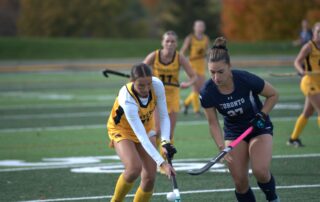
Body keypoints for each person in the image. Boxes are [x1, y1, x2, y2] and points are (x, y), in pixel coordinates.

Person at [199, 37, 280, 202]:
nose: (216, 77)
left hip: (258, 127)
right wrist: (221, 147)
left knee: (260, 171)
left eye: (220, 72)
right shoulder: (207, 92)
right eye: (212, 72)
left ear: (229, 67)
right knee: (240, 182)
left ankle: (273, 199)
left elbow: (273, 95)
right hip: (234, 133)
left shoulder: (245, 79)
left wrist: (262, 115)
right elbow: (213, 123)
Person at [107, 63, 177, 202]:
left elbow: (163, 116)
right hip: (122, 130)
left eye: (148, 84)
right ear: (132, 81)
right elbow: (141, 138)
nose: (146, 89)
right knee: (134, 168)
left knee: (150, 177)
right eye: (141, 86)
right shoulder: (127, 98)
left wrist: (165, 142)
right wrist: (162, 163)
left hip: (145, 127)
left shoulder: (157, 85)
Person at [143, 30, 197, 142]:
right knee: (157, 131)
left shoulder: (179, 57)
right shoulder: (155, 55)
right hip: (156, 96)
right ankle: (155, 158)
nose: (170, 44)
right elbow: (140, 69)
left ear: (176, 44)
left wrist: (187, 84)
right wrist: (147, 78)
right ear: (162, 42)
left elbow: (193, 76)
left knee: (169, 133)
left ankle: (167, 158)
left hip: (172, 97)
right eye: (167, 41)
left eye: (173, 41)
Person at [287, 22, 320, 147]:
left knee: (308, 112)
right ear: (314, 33)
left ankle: (293, 139)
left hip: (319, 82)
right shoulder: (309, 47)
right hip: (309, 81)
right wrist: (301, 71)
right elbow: (297, 61)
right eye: (318, 31)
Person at [180, 20, 210, 116]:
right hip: (192, 66)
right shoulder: (190, 38)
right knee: (195, 89)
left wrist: (209, 55)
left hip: (201, 66)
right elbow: (182, 51)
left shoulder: (205, 38)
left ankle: (186, 103)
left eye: (202, 26)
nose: (200, 28)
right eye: (198, 26)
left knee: (200, 89)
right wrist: (182, 62)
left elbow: (207, 50)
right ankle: (197, 111)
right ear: (194, 27)